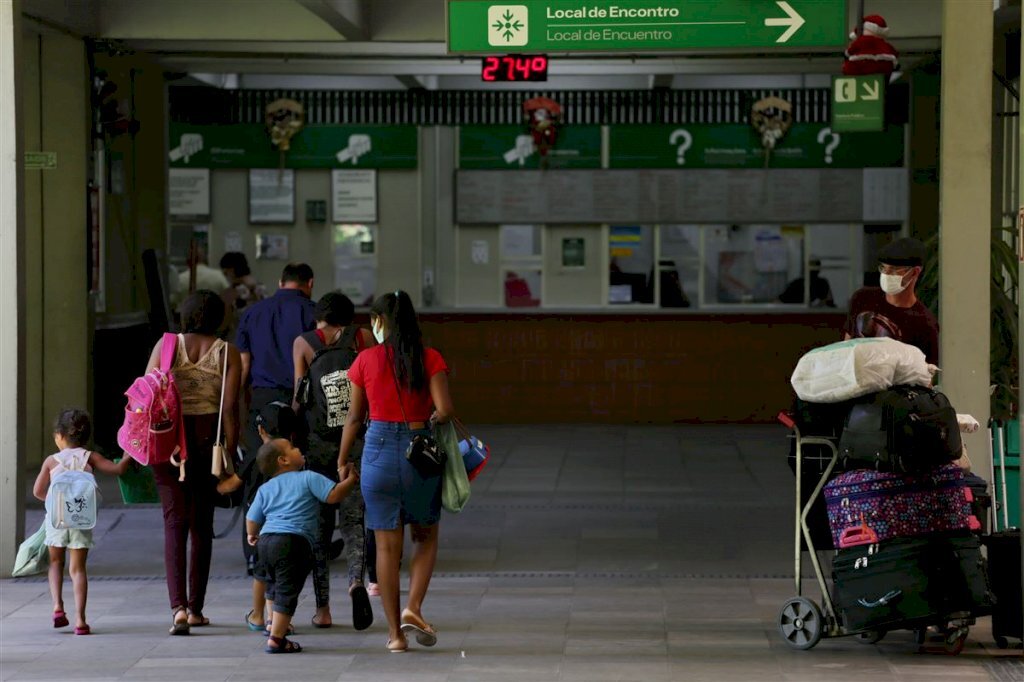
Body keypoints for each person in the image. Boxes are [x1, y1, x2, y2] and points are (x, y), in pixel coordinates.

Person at [337, 290, 456, 653]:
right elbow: (446, 410)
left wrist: (343, 458)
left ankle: (394, 635)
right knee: (425, 535)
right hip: (419, 451)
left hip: (377, 450)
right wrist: (429, 420)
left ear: (380, 322)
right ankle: (414, 607)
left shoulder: (365, 360)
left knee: (386, 548)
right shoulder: (430, 357)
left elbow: (355, 417)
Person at [146, 290, 241, 635]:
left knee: (174, 523)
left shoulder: (165, 345)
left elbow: (146, 393)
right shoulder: (227, 352)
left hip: (168, 438)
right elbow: (228, 409)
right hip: (204, 440)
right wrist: (229, 451)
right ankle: (197, 608)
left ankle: (178, 609)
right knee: (202, 524)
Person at [292, 291, 374, 630]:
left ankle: (323, 609)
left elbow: (299, 397)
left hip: (318, 444)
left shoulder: (304, 343)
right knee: (354, 521)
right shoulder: (363, 338)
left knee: (321, 527)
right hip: (354, 441)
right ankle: (356, 581)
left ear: (318, 316)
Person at [246, 438, 358, 654]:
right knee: (288, 589)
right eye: (293, 447)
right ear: (284, 460)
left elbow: (252, 519)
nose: (299, 449)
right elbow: (333, 495)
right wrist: (351, 480)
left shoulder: (265, 488)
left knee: (273, 583)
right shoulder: (308, 478)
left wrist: (252, 534)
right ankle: (277, 639)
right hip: (293, 541)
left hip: (266, 540)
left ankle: (272, 623)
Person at [32, 409, 131, 635]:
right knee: (78, 569)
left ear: (59, 435)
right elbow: (116, 470)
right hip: (81, 519)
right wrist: (126, 456)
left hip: (56, 520)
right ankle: (80, 620)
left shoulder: (51, 461)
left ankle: (58, 607)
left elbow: (38, 491)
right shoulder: (91, 457)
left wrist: (56, 503)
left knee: (56, 563)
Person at [217, 401, 298, 635]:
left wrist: (216, 485)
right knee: (282, 574)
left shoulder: (256, 456)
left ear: (261, 430)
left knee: (261, 573)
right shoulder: (293, 457)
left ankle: (259, 615)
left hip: (258, 524)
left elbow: (232, 484)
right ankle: (281, 619)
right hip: (286, 523)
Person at [843, 237, 939, 364]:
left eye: (894, 269)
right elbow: (846, 346)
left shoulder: (924, 323)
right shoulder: (863, 299)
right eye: (883, 268)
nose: (886, 274)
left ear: (915, 272)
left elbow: (925, 376)